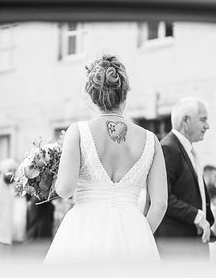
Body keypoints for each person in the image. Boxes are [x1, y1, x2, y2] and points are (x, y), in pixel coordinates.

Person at [45, 55, 167, 263]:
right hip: (133, 228)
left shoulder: (78, 132)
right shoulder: (151, 140)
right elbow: (160, 203)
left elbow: (65, 189)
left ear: (92, 97)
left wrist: (51, 174)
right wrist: (141, 234)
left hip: (84, 229)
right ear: (125, 94)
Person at [156, 97, 216, 259]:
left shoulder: (185, 149)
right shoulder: (168, 148)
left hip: (193, 244)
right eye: (203, 120)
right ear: (185, 121)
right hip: (177, 247)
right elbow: (163, 197)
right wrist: (197, 216)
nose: (207, 126)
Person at [0, 158, 26, 248]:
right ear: (1, 171)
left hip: (10, 236)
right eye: (9, 170)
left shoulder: (13, 188)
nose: (12, 173)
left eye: (14, 170)